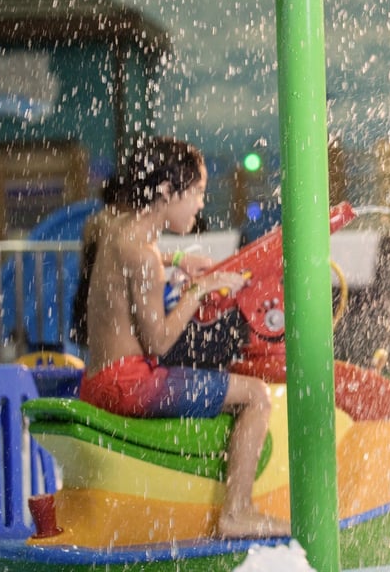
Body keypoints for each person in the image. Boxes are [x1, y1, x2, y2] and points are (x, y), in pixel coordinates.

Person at [72, 136, 290, 539]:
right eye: (198, 193)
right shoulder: (145, 257)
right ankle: (236, 512)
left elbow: (136, 263)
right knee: (256, 394)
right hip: (130, 386)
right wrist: (199, 291)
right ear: (167, 192)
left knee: (216, 381)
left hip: (98, 381)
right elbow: (158, 342)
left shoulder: (117, 231)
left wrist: (178, 261)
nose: (202, 204)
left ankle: (204, 499)